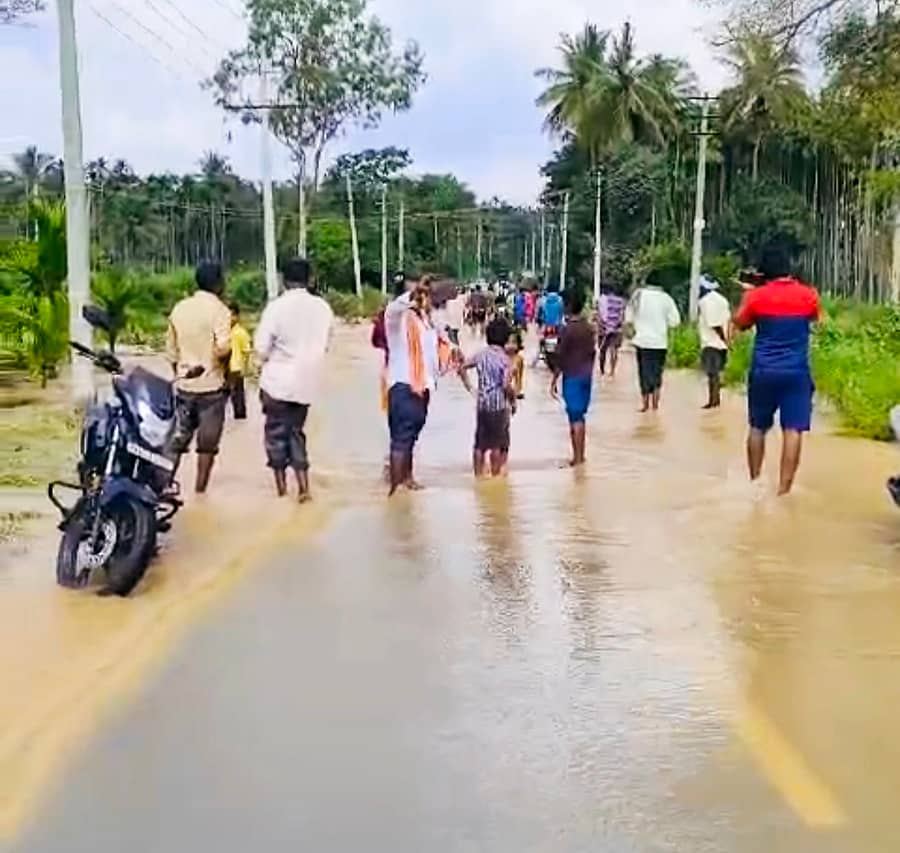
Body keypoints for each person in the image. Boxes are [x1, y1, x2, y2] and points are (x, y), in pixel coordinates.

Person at [732, 241, 819, 496]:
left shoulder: (755, 296)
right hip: (796, 373)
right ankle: (784, 491)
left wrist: (750, 294)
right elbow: (814, 318)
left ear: (763, 271)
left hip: (763, 371)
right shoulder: (808, 294)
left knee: (757, 427)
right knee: (793, 430)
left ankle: (755, 482)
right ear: (789, 268)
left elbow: (739, 323)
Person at [254, 258, 334, 502]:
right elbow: (327, 344)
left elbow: (261, 348)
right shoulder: (323, 308)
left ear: (283, 279)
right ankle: (304, 489)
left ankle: (280, 491)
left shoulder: (276, 308)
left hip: (277, 383)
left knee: (275, 435)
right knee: (296, 433)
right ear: (310, 279)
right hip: (306, 383)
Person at [165, 261, 232, 494]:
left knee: (176, 442)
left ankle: (164, 488)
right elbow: (223, 348)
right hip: (211, 387)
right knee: (207, 446)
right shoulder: (220, 311)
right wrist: (219, 365)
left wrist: (181, 374)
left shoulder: (180, 308)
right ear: (218, 284)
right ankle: (200, 492)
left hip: (184, 385)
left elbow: (171, 352)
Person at [385, 276, 444, 496]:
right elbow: (394, 308)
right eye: (419, 294)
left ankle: (407, 479)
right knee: (400, 439)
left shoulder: (426, 322)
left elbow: (434, 353)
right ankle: (394, 490)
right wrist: (411, 294)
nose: (423, 298)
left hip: (423, 387)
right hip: (403, 385)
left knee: (411, 437)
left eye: (425, 294)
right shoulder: (397, 320)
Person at [459, 317, 516, 478]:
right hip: (498, 406)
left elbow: (462, 367)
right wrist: (513, 400)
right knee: (497, 443)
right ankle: (495, 476)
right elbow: (505, 385)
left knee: (480, 443)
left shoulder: (481, 355)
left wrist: (470, 388)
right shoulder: (506, 360)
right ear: (505, 338)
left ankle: (478, 475)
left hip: (482, 404)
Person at [551, 288, 596, 467]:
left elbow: (560, 356)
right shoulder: (588, 328)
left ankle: (577, 458)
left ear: (568, 306)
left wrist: (554, 378)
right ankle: (581, 456)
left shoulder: (567, 329)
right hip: (586, 376)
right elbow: (592, 352)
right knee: (580, 416)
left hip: (572, 377)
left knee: (574, 418)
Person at [625, 271, 681, 412]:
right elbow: (675, 322)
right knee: (657, 372)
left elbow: (628, 318)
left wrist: (632, 329)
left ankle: (645, 404)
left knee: (643, 371)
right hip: (660, 343)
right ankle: (655, 404)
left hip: (642, 341)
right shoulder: (666, 299)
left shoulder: (638, 295)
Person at [697, 275, 731, 409]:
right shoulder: (722, 300)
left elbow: (713, 323)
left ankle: (713, 401)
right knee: (717, 372)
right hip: (721, 343)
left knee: (712, 373)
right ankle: (716, 401)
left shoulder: (705, 301)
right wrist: (727, 340)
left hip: (711, 341)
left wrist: (723, 338)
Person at [596, 282, 627, 378]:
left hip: (603, 329)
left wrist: (603, 326)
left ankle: (602, 371)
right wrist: (617, 325)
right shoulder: (621, 301)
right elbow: (622, 317)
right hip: (616, 329)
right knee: (614, 350)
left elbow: (599, 315)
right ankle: (612, 372)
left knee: (602, 350)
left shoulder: (602, 300)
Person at [227, 302, 251, 420]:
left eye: (231, 315)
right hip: (225, 368)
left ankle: (240, 417)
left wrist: (245, 368)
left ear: (237, 316)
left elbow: (246, 352)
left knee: (238, 395)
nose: (229, 319)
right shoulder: (223, 332)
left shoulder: (241, 332)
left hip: (236, 368)